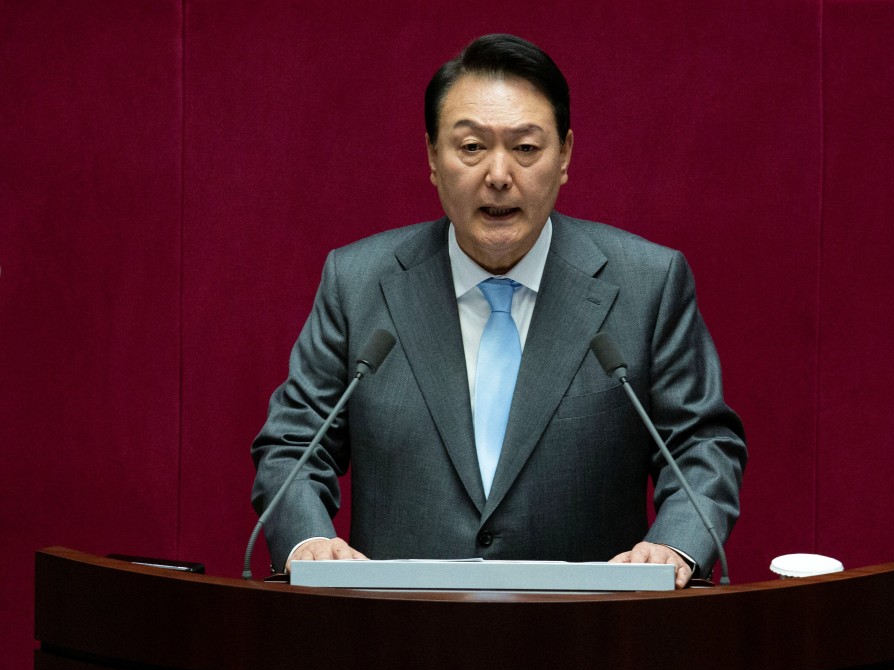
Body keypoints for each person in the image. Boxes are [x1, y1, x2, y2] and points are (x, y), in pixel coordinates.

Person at [251, 34, 747, 589]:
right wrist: (308, 539)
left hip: (595, 639)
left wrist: (674, 544)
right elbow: (293, 445)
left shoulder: (647, 285)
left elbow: (702, 445)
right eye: (470, 147)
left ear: (565, 157)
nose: (499, 174)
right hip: (398, 637)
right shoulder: (358, 282)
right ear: (433, 160)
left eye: (526, 148)